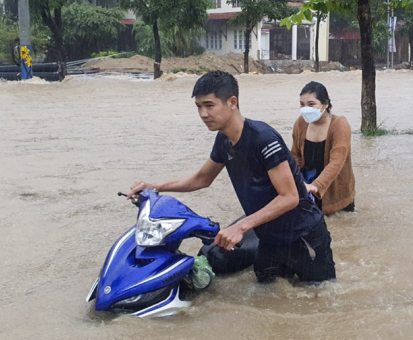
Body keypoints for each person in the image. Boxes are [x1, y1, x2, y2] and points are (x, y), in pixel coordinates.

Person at [127, 71, 335, 284]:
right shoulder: (223, 140)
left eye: (209, 105)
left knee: (321, 297)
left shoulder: (263, 139)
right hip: (270, 239)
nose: (203, 113)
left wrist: (241, 226)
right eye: (198, 106)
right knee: (267, 298)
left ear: (232, 102)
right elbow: (202, 179)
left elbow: (289, 197)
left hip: (303, 235)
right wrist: (155, 187)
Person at [291, 81, 356, 215]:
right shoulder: (300, 123)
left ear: (325, 105)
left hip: (335, 193)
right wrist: (292, 180)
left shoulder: (339, 125)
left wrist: (316, 186)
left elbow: (336, 162)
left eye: (311, 104)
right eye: (302, 104)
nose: (305, 109)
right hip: (307, 187)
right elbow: (295, 155)